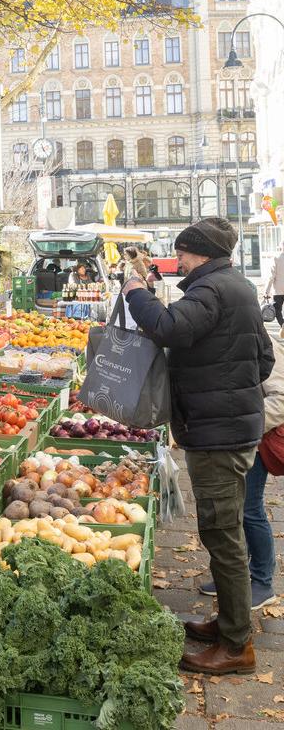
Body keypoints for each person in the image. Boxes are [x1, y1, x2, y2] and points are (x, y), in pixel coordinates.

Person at [121, 217, 274, 676]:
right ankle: (229, 623)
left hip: (219, 435)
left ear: (202, 253)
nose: (179, 258)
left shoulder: (212, 291)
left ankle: (235, 647)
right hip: (228, 428)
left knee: (222, 535)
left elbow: (167, 328)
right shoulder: (236, 286)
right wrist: (227, 382)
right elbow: (263, 359)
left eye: (184, 251)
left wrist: (134, 290)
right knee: (222, 530)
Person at [198, 345, 284, 611]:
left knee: (250, 509)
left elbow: (281, 399)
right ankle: (236, 577)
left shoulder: (261, 342)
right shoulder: (230, 336)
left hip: (254, 441)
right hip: (234, 441)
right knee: (235, 508)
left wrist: (244, 423)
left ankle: (263, 581)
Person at [264, 241, 284, 334]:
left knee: (277, 310)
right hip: (278, 290)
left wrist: (267, 291)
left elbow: (271, 276)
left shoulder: (276, 258)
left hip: (278, 291)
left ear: (281, 247)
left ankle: (283, 325)